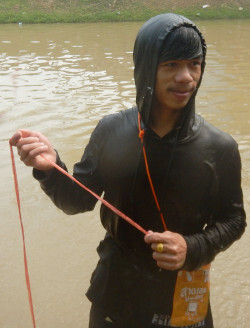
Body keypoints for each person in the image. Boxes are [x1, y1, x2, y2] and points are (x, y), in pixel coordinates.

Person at [10, 13, 246, 328]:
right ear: (147, 68)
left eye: (194, 64)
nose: (186, 77)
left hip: (182, 292)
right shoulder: (112, 131)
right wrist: (50, 168)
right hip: (117, 290)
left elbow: (234, 220)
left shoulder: (220, 147)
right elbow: (77, 201)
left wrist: (193, 247)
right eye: (171, 65)